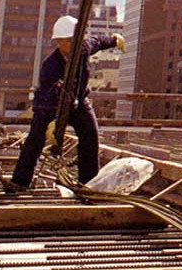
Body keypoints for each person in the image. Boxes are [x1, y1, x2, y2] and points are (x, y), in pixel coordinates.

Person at [8, 15, 122, 193]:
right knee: (35, 140)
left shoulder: (83, 48)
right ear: (59, 42)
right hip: (49, 106)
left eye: (75, 40)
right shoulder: (50, 66)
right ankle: (20, 181)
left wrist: (114, 40)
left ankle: (88, 182)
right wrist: (55, 122)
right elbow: (48, 94)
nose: (73, 44)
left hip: (78, 101)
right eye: (69, 40)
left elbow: (98, 41)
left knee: (90, 135)